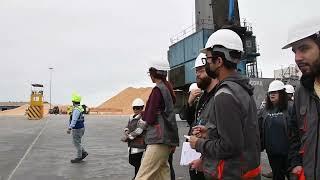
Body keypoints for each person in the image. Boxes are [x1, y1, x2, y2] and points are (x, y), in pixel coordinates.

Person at [189, 29, 261, 179]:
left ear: (219, 61)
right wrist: (210, 133)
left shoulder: (224, 95)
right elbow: (241, 134)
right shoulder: (242, 88)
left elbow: (230, 147)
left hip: (232, 174)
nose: (207, 63)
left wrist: (199, 143)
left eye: (208, 59)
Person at [282, 17, 320, 179]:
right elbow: (295, 134)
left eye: (304, 49)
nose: (297, 58)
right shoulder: (301, 92)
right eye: (294, 51)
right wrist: (296, 162)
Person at [135, 60, 179, 180]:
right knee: (162, 174)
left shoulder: (158, 90)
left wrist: (134, 133)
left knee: (142, 176)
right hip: (167, 139)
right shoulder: (167, 89)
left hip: (158, 140)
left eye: (150, 73)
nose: (150, 76)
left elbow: (150, 116)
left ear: (154, 73)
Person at [179, 53, 219, 180]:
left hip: (209, 160)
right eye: (196, 71)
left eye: (200, 70)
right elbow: (189, 118)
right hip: (197, 152)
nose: (197, 74)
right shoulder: (203, 97)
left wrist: (203, 160)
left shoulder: (219, 96)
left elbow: (224, 138)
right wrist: (190, 103)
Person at [258, 80, 291, 180]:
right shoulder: (264, 110)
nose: (272, 94)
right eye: (270, 93)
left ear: (281, 93)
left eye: (275, 92)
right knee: (277, 177)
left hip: (289, 153)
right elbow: (258, 128)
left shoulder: (291, 107)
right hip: (273, 153)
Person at [121, 98, 147, 180]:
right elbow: (128, 126)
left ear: (142, 108)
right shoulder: (131, 117)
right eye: (134, 107)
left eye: (138, 108)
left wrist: (128, 137)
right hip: (132, 143)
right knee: (132, 161)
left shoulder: (143, 118)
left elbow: (139, 130)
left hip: (139, 144)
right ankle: (138, 176)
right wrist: (126, 130)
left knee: (136, 161)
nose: (136, 109)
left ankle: (138, 177)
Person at [67, 92, 88, 163]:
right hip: (82, 127)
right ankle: (84, 153)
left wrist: (70, 128)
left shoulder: (76, 110)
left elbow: (74, 119)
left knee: (76, 143)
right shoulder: (80, 108)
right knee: (77, 142)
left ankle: (79, 157)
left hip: (77, 129)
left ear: (73, 102)